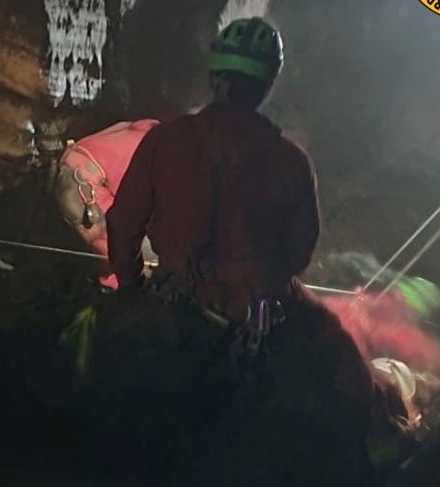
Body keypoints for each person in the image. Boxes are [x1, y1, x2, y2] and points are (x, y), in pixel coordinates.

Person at [107, 17, 319, 330]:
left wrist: (132, 287)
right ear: (267, 85)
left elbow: (122, 224)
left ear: (214, 78)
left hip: (171, 316)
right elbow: (299, 254)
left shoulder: (165, 141)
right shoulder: (291, 162)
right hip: (248, 327)